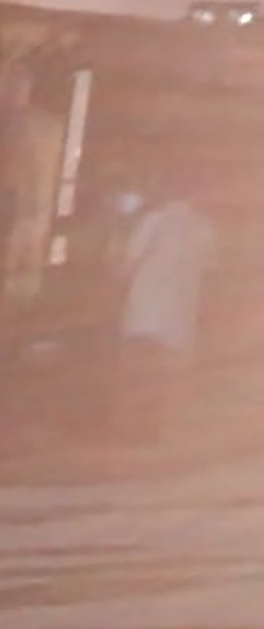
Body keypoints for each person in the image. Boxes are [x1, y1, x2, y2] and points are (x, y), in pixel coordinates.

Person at [117, 177, 217, 439]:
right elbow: (210, 274)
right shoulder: (204, 229)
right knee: (162, 376)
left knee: (136, 373)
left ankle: (129, 429)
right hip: (178, 318)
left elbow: (127, 265)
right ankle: (153, 428)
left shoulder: (154, 221)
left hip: (144, 313)